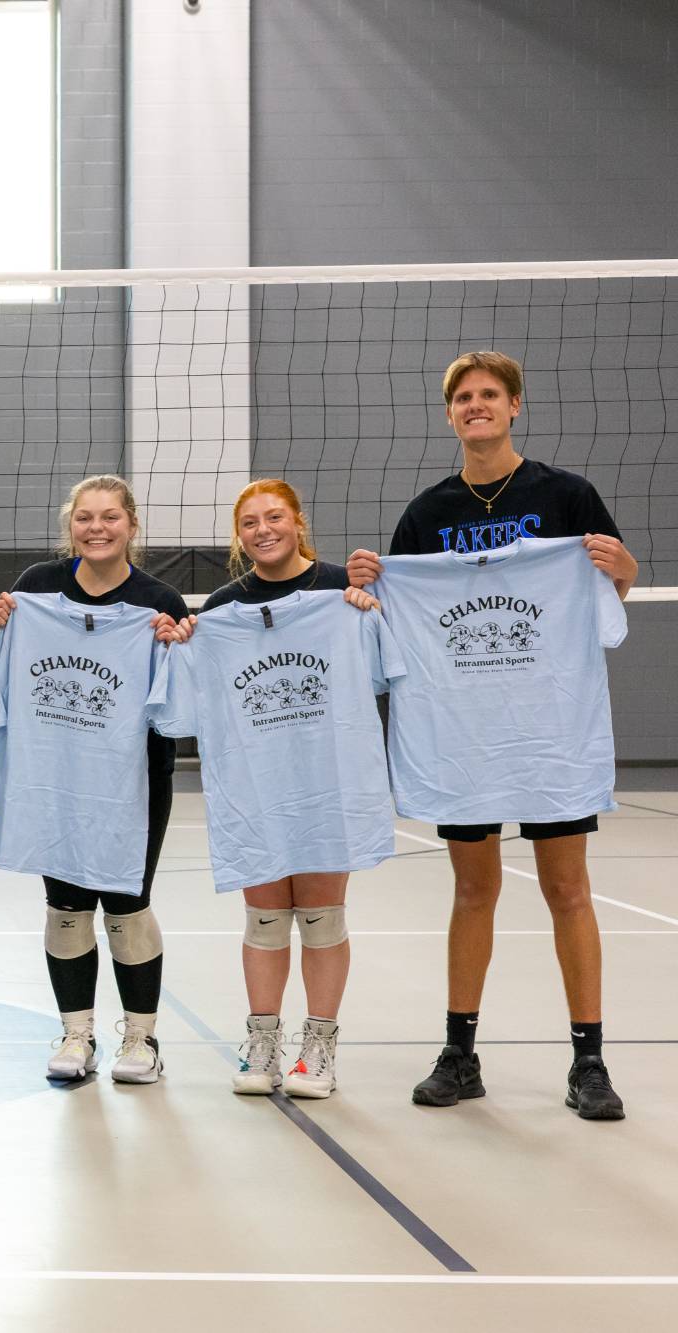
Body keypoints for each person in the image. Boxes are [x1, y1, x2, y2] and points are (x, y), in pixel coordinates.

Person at [346, 350, 637, 1120]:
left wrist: (625, 565)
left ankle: (589, 1061)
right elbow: (399, 614)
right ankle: (460, 1053)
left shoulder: (567, 496)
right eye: (463, 398)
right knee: (473, 888)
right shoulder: (427, 514)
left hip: (548, 733)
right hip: (464, 735)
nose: (476, 406)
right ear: (450, 415)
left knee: (567, 888)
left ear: (514, 407)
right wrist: (372, 586)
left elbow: (611, 601)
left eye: (489, 395)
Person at [0, 475, 188, 1084]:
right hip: (54, 776)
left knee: (127, 905)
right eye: (84, 518)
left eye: (109, 518)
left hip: (135, 778)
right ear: (69, 526)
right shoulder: (35, 590)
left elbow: (179, 698)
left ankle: (142, 1040)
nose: (96, 528)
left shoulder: (159, 601)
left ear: (131, 526)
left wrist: (179, 643)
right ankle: (77, 1033)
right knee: (66, 907)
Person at [192, 479, 381, 1098]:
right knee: (266, 920)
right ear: (238, 536)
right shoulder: (220, 610)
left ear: (298, 521)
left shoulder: (340, 592)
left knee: (323, 918)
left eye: (274, 517)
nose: (263, 530)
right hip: (257, 784)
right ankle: (263, 1043)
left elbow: (384, 668)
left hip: (326, 779)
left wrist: (372, 612)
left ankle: (320, 1048)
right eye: (250, 522)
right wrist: (182, 642)